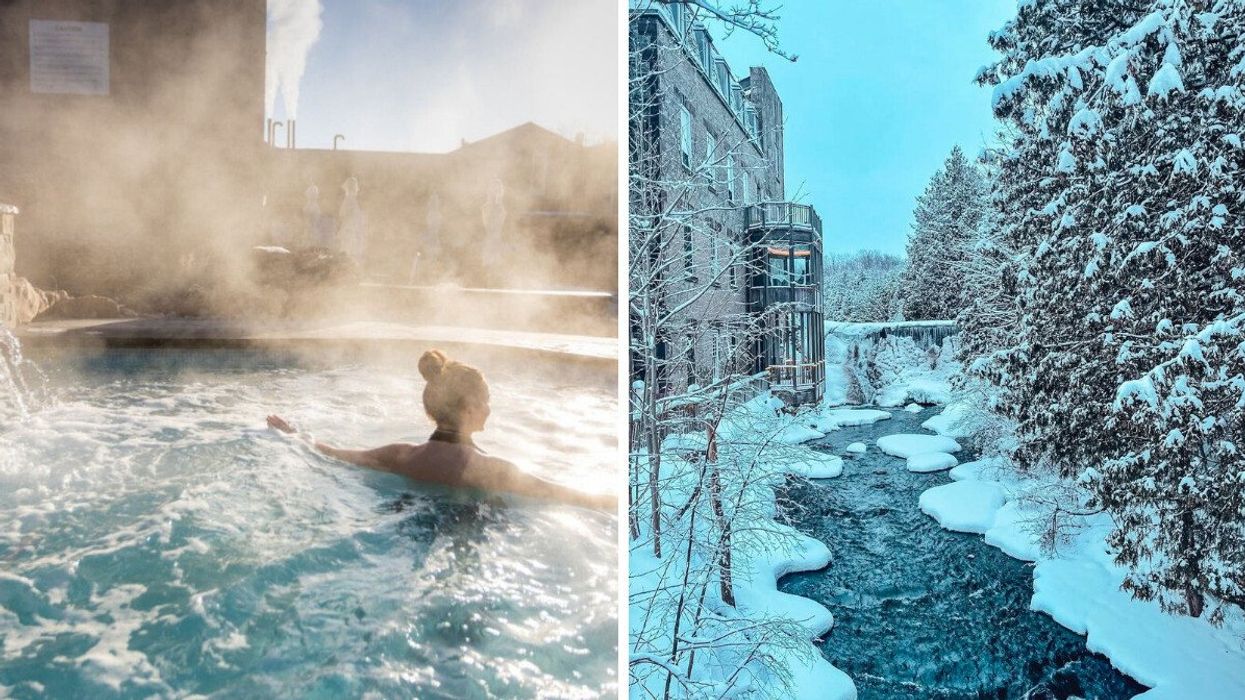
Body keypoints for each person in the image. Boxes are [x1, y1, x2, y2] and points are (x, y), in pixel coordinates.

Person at [266, 349, 614, 511]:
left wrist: (294, 434)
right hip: (468, 540)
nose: (490, 408)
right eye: (485, 400)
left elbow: (334, 453)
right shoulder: (492, 470)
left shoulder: (401, 455)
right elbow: (564, 495)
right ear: (467, 408)